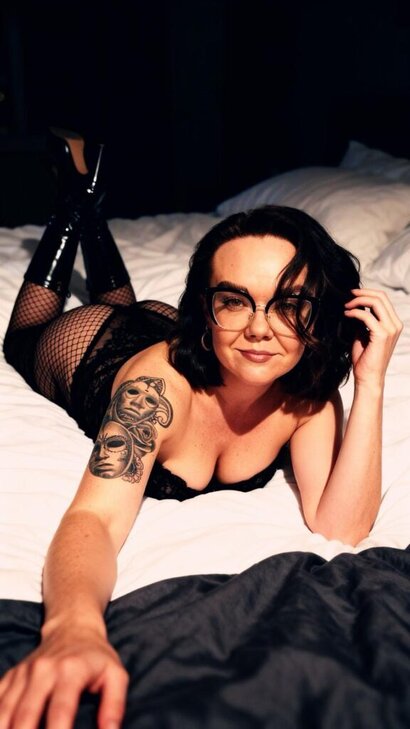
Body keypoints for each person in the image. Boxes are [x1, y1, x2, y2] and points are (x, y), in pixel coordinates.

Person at [0, 132, 402, 729]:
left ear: (320, 313)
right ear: (207, 308)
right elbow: (95, 517)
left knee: (136, 307)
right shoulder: (153, 393)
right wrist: (72, 629)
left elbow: (339, 526)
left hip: (165, 327)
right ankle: (72, 211)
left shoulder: (307, 400)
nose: (260, 329)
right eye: (234, 301)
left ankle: (88, 209)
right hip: (93, 345)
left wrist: (370, 383)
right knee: (22, 340)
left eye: (289, 303)